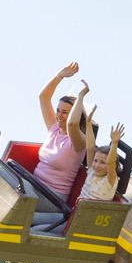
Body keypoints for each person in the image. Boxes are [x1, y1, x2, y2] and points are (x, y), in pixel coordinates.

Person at [32, 64, 91, 197]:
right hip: (34, 185)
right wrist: (60, 76)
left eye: (65, 112)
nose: (59, 115)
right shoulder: (54, 129)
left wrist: (80, 97)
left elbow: (72, 125)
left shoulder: (79, 141)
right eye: (58, 111)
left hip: (52, 196)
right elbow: (43, 98)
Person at [81, 121, 125, 202]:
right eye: (95, 161)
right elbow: (90, 146)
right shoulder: (91, 170)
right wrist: (88, 124)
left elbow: (111, 163)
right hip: (76, 210)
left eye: (103, 162)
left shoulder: (109, 181)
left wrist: (114, 143)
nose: (97, 165)